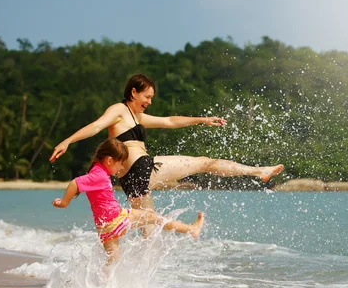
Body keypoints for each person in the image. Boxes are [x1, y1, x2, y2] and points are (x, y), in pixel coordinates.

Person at [49, 73, 284, 212]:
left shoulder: (137, 116)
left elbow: (170, 121)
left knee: (149, 228)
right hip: (141, 167)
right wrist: (68, 140)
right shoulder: (119, 110)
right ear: (133, 93)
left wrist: (202, 120)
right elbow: (96, 126)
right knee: (205, 162)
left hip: (132, 179)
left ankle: (129, 286)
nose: (150, 101)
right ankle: (258, 171)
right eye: (147, 96)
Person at [52, 138, 204, 264]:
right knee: (154, 217)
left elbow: (79, 185)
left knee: (113, 260)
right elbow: (75, 183)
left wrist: (65, 201)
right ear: (110, 160)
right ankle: (191, 230)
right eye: (120, 163)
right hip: (115, 218)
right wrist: (65, 202)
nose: (122, 166)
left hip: (103, 226)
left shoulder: (96, 169)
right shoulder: (99, 175)